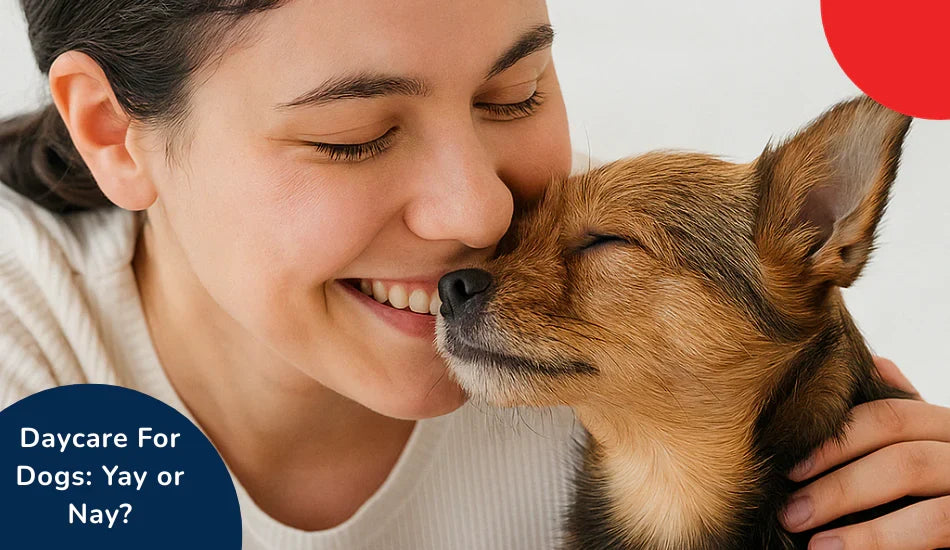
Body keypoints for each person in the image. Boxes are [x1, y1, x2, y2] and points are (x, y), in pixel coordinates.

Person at [1, 2, 948, 549]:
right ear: (113, 133)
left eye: (516, 94)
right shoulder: (27, 357)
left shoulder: (647, 360)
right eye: (353, 138)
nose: (483, 217)